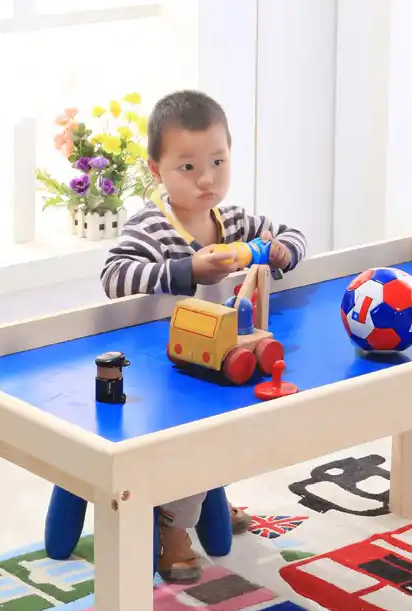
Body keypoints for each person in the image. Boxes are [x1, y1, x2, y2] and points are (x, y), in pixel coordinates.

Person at [101, 89, 308, 583]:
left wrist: (280, 252)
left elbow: (295, 236)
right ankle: (172, 528)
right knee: (188, 437)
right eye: (188, 168)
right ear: (157, 171)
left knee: (230, 429)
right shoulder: (152, 226)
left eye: (218, 160)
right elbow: (114, 276)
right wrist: (186, 267)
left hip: (219, 359)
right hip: (163, 366)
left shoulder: (234, 222)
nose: (208, 178)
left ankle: (207, 493)